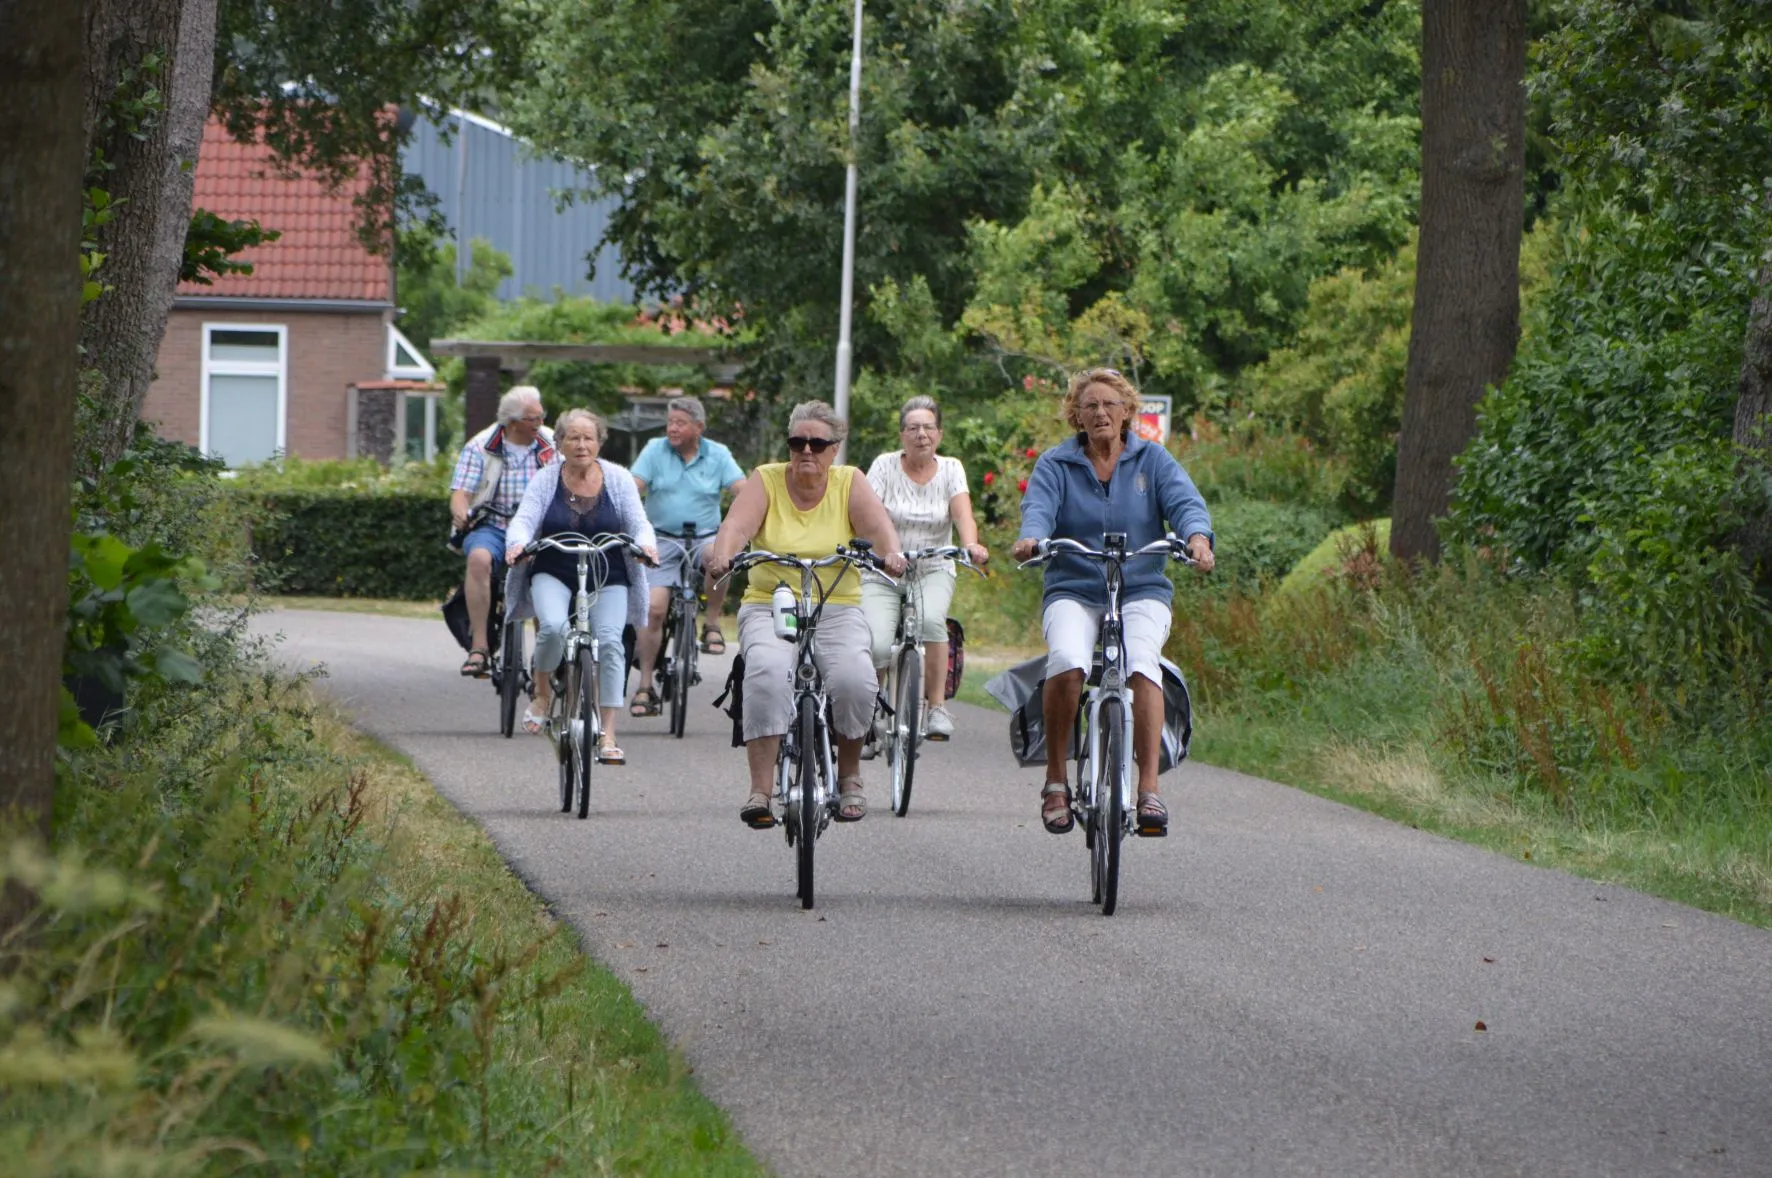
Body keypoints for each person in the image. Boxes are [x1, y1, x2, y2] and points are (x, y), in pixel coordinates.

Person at [1010, 368, 1215, 837]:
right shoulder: (1056, 464)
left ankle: (1148, 792)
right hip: (1075, 587)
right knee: (1067, 660)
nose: (1100, 413)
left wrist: (1197, 539)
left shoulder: (1153, 460)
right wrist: (1033, 539)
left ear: (1126, 412)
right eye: (1090, 406)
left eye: (1109, 405)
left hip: (1141, 587)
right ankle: (1056, 781)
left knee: (1144, 664)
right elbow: (1038, 509)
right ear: (1076, 416)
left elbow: (1186, 504)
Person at [705, 400, 907, 828]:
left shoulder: (850, 482)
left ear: (835, 449)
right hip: (770, 601)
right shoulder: (765, 479)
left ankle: (850, 776)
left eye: (817, 443)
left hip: (835, 602)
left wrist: (892, 554)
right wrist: (724, 556)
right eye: (798, 442)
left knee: (855, 676)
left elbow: (878, 528)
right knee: (765, 669)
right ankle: (760, 790)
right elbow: (737, 527)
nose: (806, 452)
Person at [503, 409, 658, 765]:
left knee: (611, 641)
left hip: (608, 573)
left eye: (588, 437)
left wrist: (646, 547)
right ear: (559, 443)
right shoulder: (545, 480)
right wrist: (517, 544)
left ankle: (608, 734)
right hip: (554, 569)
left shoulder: (617, 479)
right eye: (572, 437)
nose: (581, 444)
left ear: (600, 442)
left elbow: (639, 523)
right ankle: (541, 694)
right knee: (553, 629)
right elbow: (524, 520)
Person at [859, 395, 988, 743]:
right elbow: (868, 515)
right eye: (913, 428)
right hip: (884, 570)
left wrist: (972, 545)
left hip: (933, 567)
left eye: (928, 428)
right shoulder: (884, 466)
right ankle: (871, 704)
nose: (921, 435)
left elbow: (962, 514)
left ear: (939, 435)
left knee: (932, 621)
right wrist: (887, 552)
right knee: (879, 644)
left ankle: (936, 707)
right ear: (902, 435)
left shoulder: (951, 469)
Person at [627, 395, 747, 717]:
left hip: (705, 537)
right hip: (661, 539)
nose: (672, 429)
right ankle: (645, 685)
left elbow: (744, 491)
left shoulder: (717, 455)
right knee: (653, 609)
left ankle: (711, 625)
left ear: (699, 427)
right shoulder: (655, 450)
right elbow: (632, 486)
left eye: (680, 423)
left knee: (720, 558)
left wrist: (751, 518)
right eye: (670, 422)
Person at [449, 386, 555, 677]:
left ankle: (545, 656)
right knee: (479, 559)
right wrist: (460, 512)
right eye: (533, 418)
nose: (540, 423)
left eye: (541, 416)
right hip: (492, 525)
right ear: (512, 421)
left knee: (546, 572)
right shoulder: (481, 445)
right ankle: (480, 646)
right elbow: (461, 492)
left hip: (538, 529)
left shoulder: (551, 443)